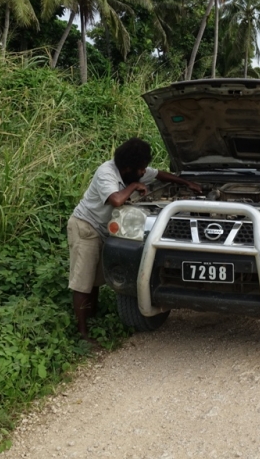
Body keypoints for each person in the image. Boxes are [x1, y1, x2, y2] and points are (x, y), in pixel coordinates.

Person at [68, 137, 201, 341]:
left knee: (94, 280)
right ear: (127, 167)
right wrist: (134, 186)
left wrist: (186, 182)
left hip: (104, 230)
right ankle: (82, 332)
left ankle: (92, 316)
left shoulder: (132, 170)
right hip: (86, 227)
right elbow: (116, 200)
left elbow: (159, 174)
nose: (143, 172)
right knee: (83, 282)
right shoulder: (106, 173)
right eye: (140, 169)